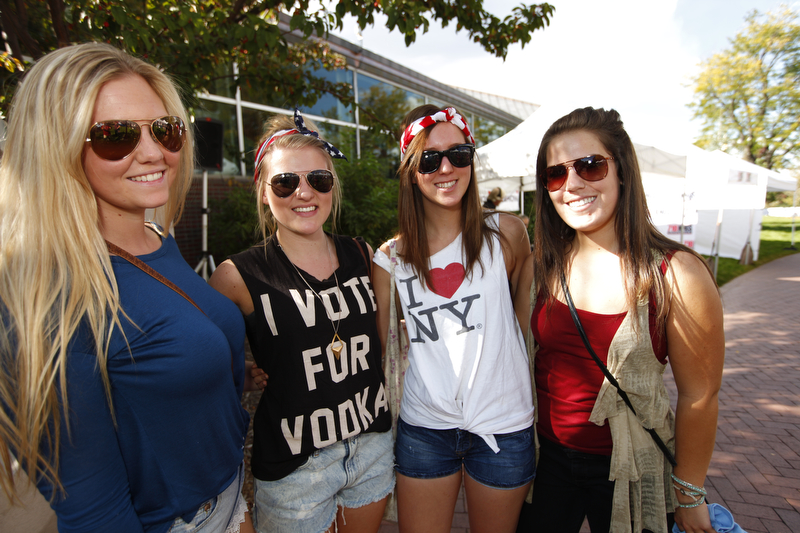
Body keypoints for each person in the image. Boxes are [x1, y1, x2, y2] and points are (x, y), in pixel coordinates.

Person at [0, 43, 255, 532]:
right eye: (115, 136)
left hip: (229, 496)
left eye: (166, 129)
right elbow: (93, 510)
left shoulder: (155, 237)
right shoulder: (53, 296)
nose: (155, 152)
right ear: (57, 147)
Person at [514, 107, 724, 533]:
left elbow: (700, 395)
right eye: (555, 174)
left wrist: (689, 490)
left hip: (636, 469)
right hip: (546, 463)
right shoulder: (541, 267)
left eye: (590, 166)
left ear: (622, 172)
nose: (572, 184)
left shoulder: (676, 273)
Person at [208, 110, 394, 533]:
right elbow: (206, 366)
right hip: (296, 467)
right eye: (286, 182)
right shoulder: (237, 276)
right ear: (263, 191)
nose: (303, 193)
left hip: (371, 447)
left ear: (332, 186)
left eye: (319, 180)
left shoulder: (362, 255)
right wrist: (242, 375)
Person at [373, 105, 534, 533]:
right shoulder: (391, 260)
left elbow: (526, 331)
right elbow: (374, 350)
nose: (446, 167)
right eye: (429, 159)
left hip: (504, 427)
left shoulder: (508, 236)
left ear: (471, 159)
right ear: (410, 171)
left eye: (458, 154)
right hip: (424, 430)